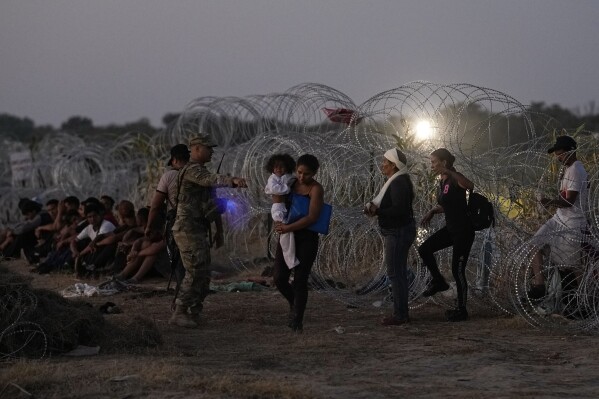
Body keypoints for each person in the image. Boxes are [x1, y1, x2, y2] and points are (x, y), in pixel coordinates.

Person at [170, 135, 247, 328]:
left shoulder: (200, 172)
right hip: (187, 228)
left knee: (203, 271)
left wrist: (218, 230)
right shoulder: (192, 170)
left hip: (197, 227)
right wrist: (231, 180)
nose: (212, 151)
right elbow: (209, 180)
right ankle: (180, 311)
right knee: (195, 269)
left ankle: (195, 311)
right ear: (195, 149)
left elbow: (209, 204)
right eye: (208, 148)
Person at [526, 136, 589, 307]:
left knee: (569, 265)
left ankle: (582, 300)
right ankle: (540, 286)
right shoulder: (567, 169)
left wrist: (548, 202)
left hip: (573, 222)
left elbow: (569, 201)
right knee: (535, 243)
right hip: (560, 218)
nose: (558, 158)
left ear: (571, 151)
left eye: (560, 154)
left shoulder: (576, 169)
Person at [418, 148, 475, 322]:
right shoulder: (442, 181)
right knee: (425, 249)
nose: (432, 165)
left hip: (463, 231)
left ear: (444, 162)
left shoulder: (454, 177)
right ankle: (439, 281)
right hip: (451, 229)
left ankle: (462, 310)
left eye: (434, 162)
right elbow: (451, 205)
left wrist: (450, 171)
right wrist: (434, 211)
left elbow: (470, 185)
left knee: (457, 271)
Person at [364, 148, 416, 326]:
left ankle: (400, 314)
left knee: (396, 273)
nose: (382, 164)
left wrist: (377, 211)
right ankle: (401, 312)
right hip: (398, 231)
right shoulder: (397, 180)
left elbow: (399, 210)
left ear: (393, 165)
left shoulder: (398, 183)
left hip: (398, 232)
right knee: (398, 273)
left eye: (385, 162)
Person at [273, 154, 324, 332]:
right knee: (279, 277)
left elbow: (312, 217)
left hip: (306, 237)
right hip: (288, 236)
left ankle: (297, 320)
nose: (302, 177)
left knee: (300, 280)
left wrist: (289, 227)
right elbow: (277, 201)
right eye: (300, 172)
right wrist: (278, 220)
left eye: (307, 174)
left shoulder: (316, 189)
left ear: (315, 173)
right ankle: (295, 304)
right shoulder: (291, 183)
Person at [264, 153, 298, 268]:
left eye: (281, 167)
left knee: (287, 234)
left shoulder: (288, 177)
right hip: (278, 208)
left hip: (286, 208)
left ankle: (291, 259)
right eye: (275, 167)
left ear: (287, 167)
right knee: (285, 233)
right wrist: (287, 188)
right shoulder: (272, 178)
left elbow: (293, 181)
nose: (278, 169)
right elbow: (276, 190)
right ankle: (290, 260)